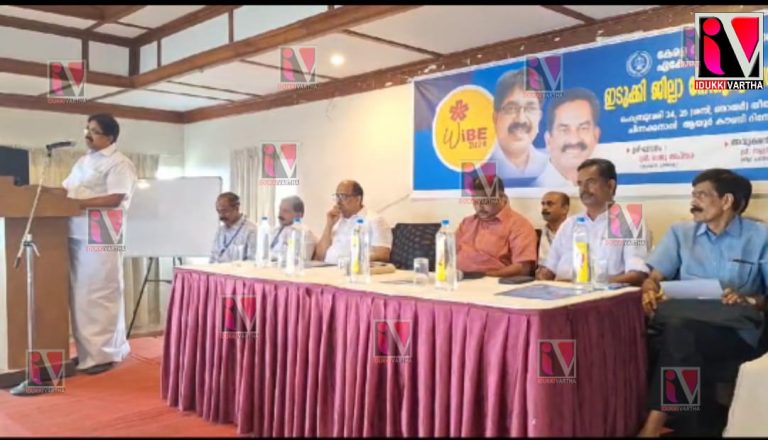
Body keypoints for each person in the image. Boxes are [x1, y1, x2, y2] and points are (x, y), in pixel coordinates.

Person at [638, 169, 768, 437]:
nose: (693, 202)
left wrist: (747, 298)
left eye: (701, 195)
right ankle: (681, 425)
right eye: (693, 194)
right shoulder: (680, 233)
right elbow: (654, 278)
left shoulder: (760, 237)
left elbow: (764, 298)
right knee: (682, 335)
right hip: (686, 324)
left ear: (726, 200)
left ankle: (655, 425)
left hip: (735, 331)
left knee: (679, 335)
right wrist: (649, 290)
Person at [62, 113, 137, 375]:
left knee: (100, 292)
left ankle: (105, 354)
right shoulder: (83, 161)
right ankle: (88, 352)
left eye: (94, 131)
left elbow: (116, 198)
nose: (88, 135)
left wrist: (77, 204)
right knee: (81, 294)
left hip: (102, 229)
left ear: (110, 137)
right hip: (76, 229)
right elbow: (66, 189)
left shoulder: (120, 163)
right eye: (87, 129)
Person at [535, 158, 648, 286]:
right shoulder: (569, 224)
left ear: (610, 186)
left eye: (591, 182)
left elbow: (637, 275)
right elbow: (549, 269)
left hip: (603, 295)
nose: (584, 189)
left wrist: (586, 284)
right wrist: (543, 276)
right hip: (560, 293)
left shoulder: (630, 222)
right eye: (580, 184)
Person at [455, 175, 538, 277]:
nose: (479, 206)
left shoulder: (519, 226)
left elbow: (523, 268)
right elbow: (447, 255)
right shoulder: (467, 223)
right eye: (475, 201)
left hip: (493, 281)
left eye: (486, 201)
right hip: (458, 279)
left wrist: (487, 277)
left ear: (502, 198)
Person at [487, 69, 548, 180]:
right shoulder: (480, 166)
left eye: (530, 108)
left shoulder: (552, 168)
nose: (521, 119)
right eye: (511, 108)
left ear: (539, 117)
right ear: (495, 118)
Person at [314, 180, 392, 264]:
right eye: (337, 196)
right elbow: (320, 256)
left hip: (353, 269)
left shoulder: (375, 220)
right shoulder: (336, 220)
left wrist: (353, 260)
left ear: (358, 199)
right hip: (326, 268)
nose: (338, 202)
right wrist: (329, 225)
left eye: (343, 196)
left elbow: (383, 254)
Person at [535, 88, 601, 187]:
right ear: (548, 140)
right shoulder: (533, 190)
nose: (574, 140)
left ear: (596, 136)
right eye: (564, 130)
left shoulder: (604, 188)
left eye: (583, 128)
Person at [209, 192, 258, 263]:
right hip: (218, 269)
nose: (221, 216)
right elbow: (213, 256)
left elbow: (252, 260)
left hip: (239, 269)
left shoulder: (251, 230)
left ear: (236, 209)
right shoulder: (221, 230)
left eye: (224, 211)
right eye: (219, 212)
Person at [270, 195, 317, 261]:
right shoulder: (275, 230)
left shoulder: (304, 233)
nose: (280, 214)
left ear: (299, 215)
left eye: (285, 211)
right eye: (280, 209)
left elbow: (302, 259)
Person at [538, 191, 570, 266]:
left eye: (550, 204)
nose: (544, 208)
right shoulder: (538, 235)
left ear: (565, 209)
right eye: (543, 204)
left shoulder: (576, 233)